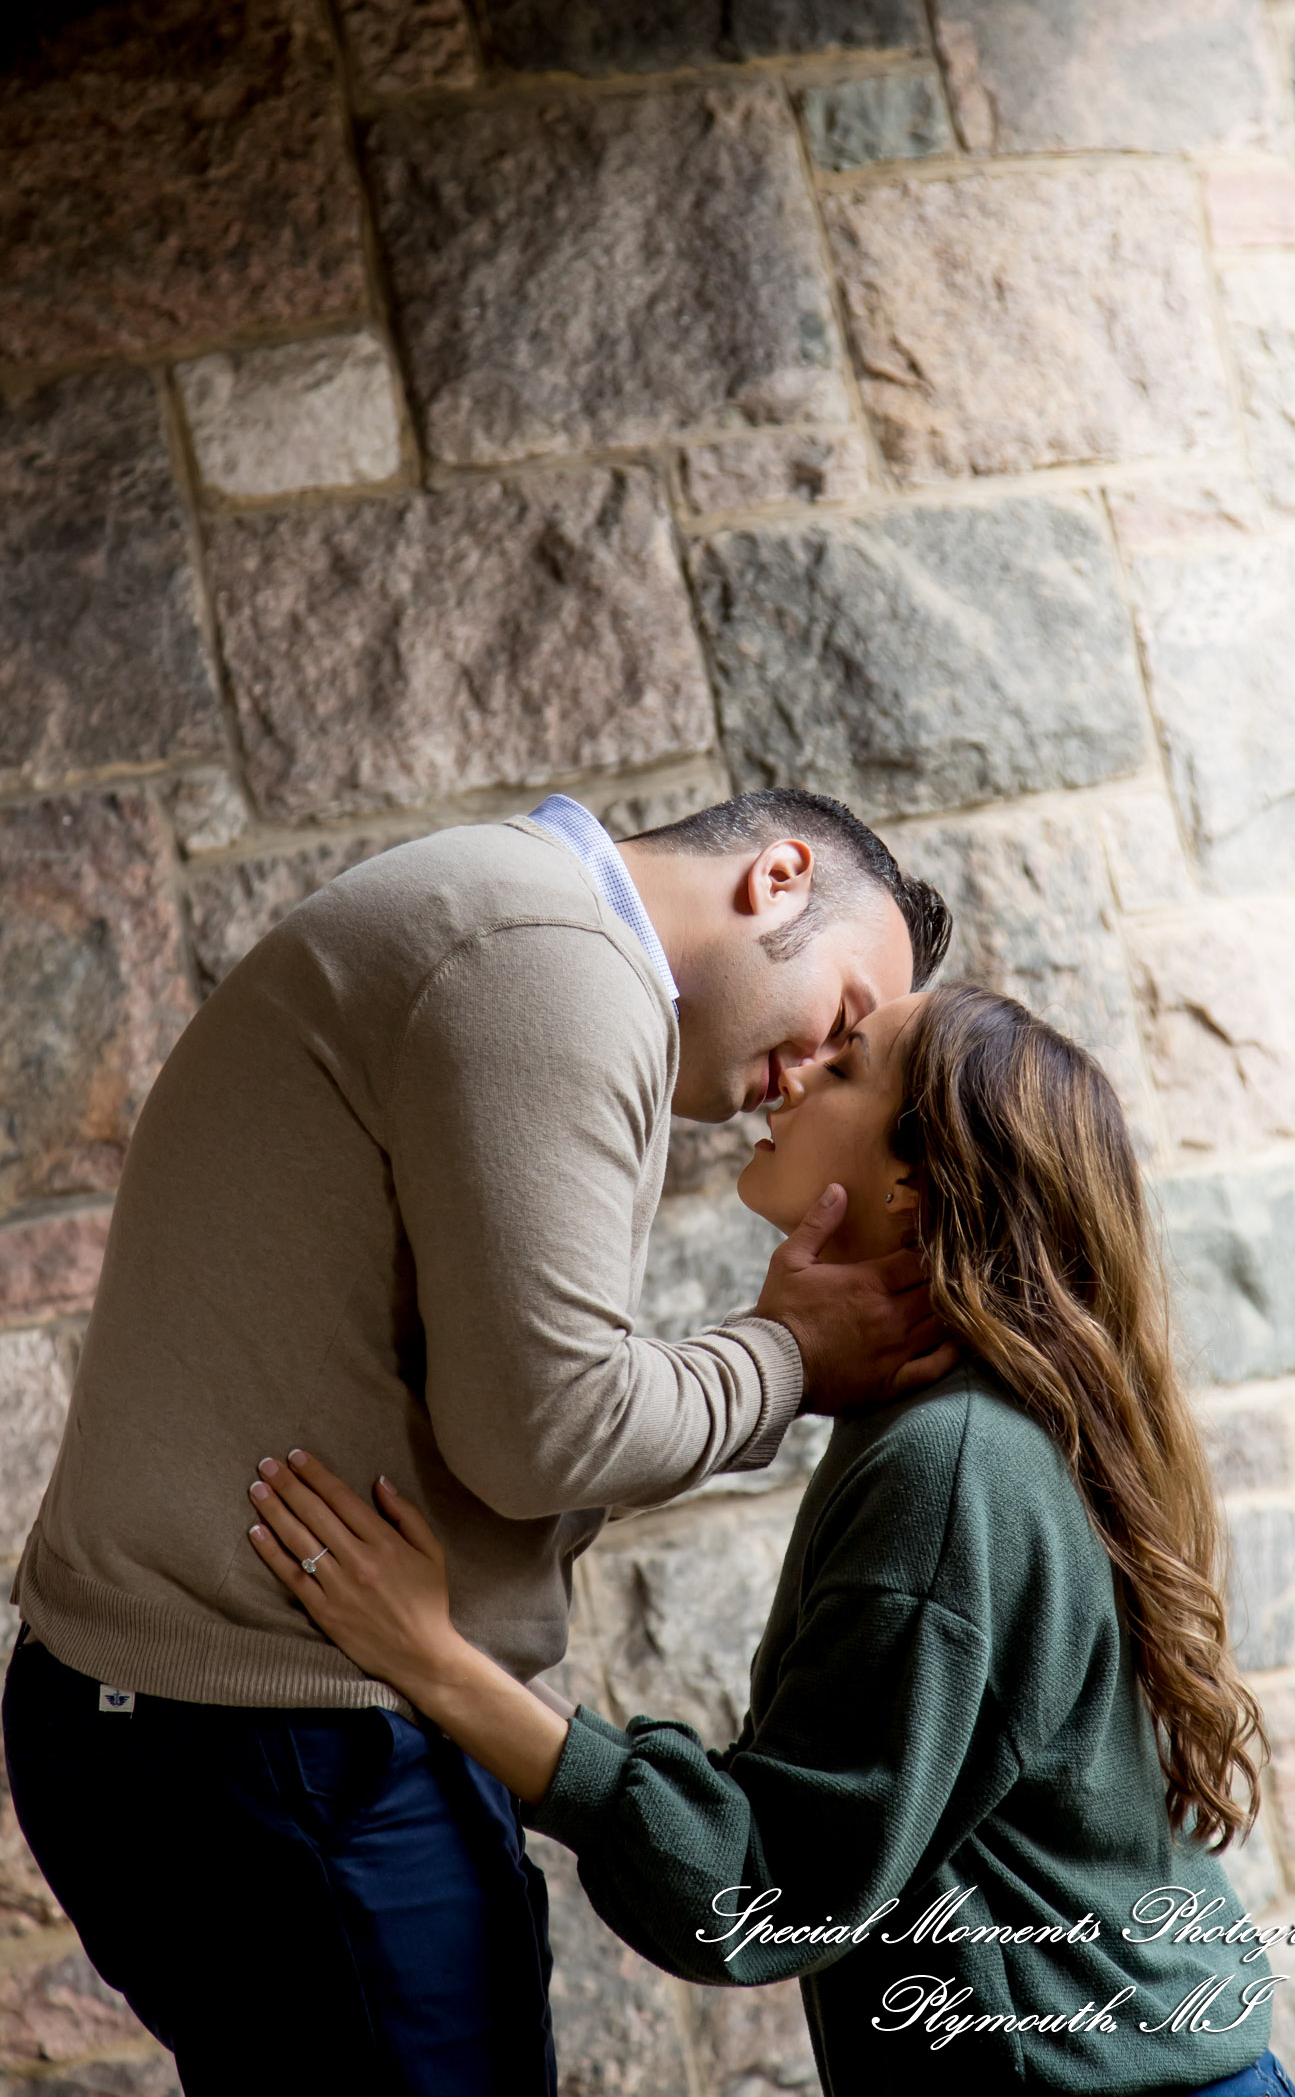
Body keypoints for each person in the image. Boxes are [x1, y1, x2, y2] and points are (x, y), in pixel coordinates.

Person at [2, 788, 955, 2097]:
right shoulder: (555, 959)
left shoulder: (516, 918)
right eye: (843, 1021)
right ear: (779, 875)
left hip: (229, 1726)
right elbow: (549, 1433)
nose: (806, 1076)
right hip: (277, 1730)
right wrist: (787, 1358)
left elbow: (505, 1412)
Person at [234, 983, 1295, 2097]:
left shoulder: (949, 1468)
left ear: (910, 1187)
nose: (791, 1076)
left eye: (844, 1068)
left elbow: (761, 1884)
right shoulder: (983, 1426)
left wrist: (435, 1662)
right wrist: (786, 1348)